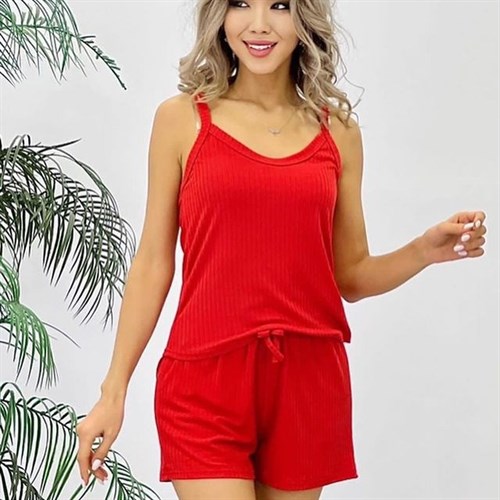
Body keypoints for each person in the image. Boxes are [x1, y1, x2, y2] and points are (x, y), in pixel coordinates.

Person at [75, 1, 487, 499]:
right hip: (204, 379)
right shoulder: (181, 120)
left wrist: (423, 250)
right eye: (240, 4)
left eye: (280, 6)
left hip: (308, 381)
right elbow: (153, 263)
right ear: (220, 17)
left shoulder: (338, 132)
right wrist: (113, 392)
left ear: (304, 18)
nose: (259, 25)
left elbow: (351, 275)